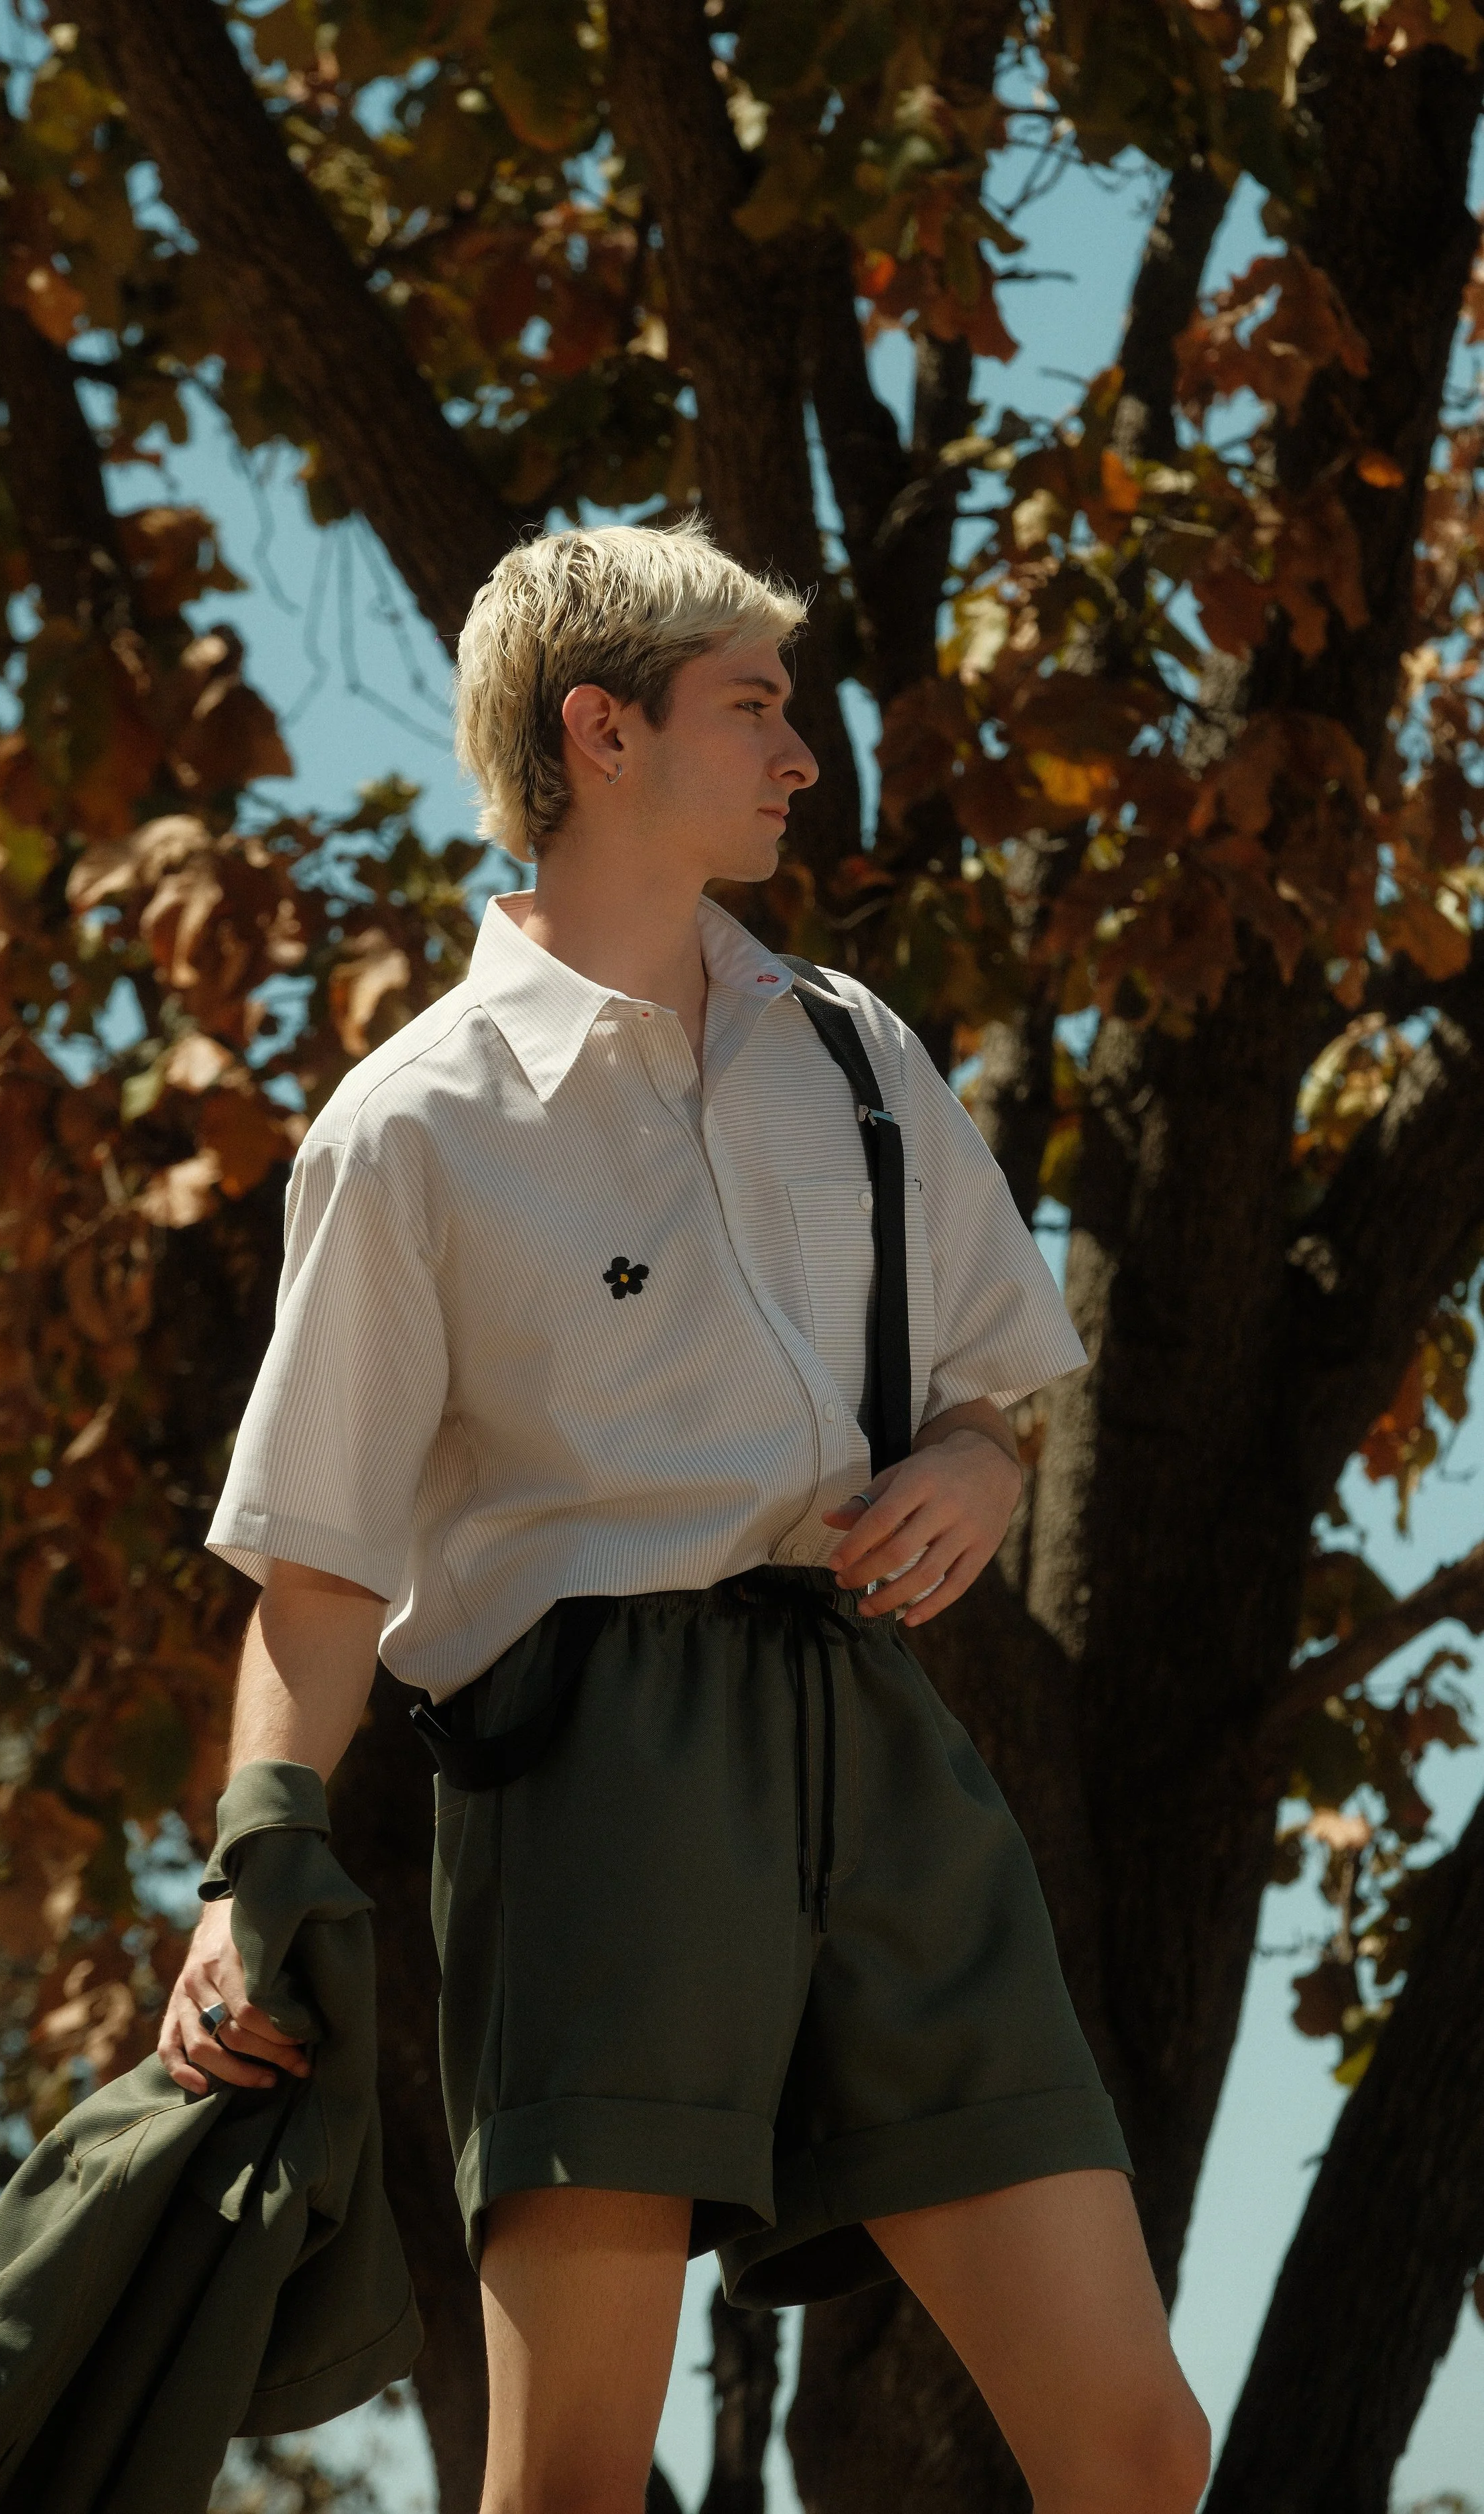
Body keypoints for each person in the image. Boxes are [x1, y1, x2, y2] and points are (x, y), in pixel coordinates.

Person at [159, 519, 1212, 2514]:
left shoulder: (857, 1052)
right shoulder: (416, 1120)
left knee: (1138, 2445)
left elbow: (988, 1396)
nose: (801, 753)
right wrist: (251, 1862)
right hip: (600, 1778)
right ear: (602, 731)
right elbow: (320, 1557)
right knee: (569, 2476)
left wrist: (978, 1463)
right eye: (755, 706)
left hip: (881, 1749)